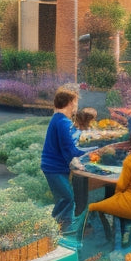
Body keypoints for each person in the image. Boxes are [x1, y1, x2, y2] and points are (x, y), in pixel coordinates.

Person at [89, 127, 131, 250]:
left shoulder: (130, 161)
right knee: (126, 209)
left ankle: (108, 240)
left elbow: (121, 185)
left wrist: (116, 198)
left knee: (93, 207)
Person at [41, 89, 86, 233]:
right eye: (76, 102)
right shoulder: (63, 122)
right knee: (67, 199)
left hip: (53, 167)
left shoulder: (59, 119)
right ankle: (64, 233)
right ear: (71, 103)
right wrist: (93, 151)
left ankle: (55, 230)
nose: (77, 105)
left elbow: (70, 145)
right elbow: (70, 149)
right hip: (54, 168)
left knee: (63, 200)